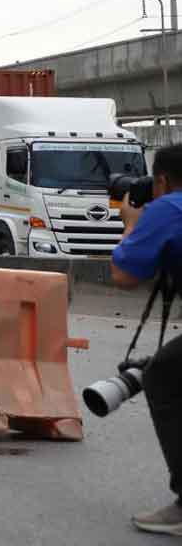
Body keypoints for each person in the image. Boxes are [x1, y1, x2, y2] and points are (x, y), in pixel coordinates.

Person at [110, 143, 182, 536]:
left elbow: (124, 277)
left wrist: (132, 224)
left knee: (161, 377)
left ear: (162, 181)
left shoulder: (166, 208)